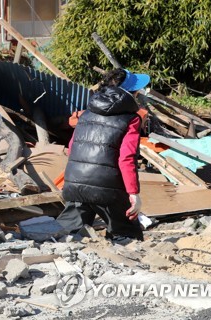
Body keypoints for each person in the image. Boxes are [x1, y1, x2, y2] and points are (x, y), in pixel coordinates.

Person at [56, 68, 150, 242]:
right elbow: (126, 158)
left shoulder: (86, 113)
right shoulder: (131, 118)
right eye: (138, 89)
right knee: (127, 234)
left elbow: (71, 148)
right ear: (131, 92)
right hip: (108, 188)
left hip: (75, 183)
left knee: (65, 234)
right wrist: (133, 194)